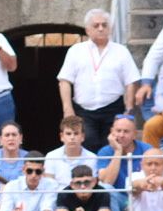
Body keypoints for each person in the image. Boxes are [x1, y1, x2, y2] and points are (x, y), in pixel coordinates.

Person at [56, 8, 133, 154]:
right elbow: (64, 81)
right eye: (96, 25)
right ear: (87, 30)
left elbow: (131, 81)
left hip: (113, 108)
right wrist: (68, 109)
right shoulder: (75, 51)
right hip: (83, 110)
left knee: (111, 147)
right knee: (87, 143)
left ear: (109, 28)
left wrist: (128, 109)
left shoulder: (121, 51)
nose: (101, 28)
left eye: (104, 25)